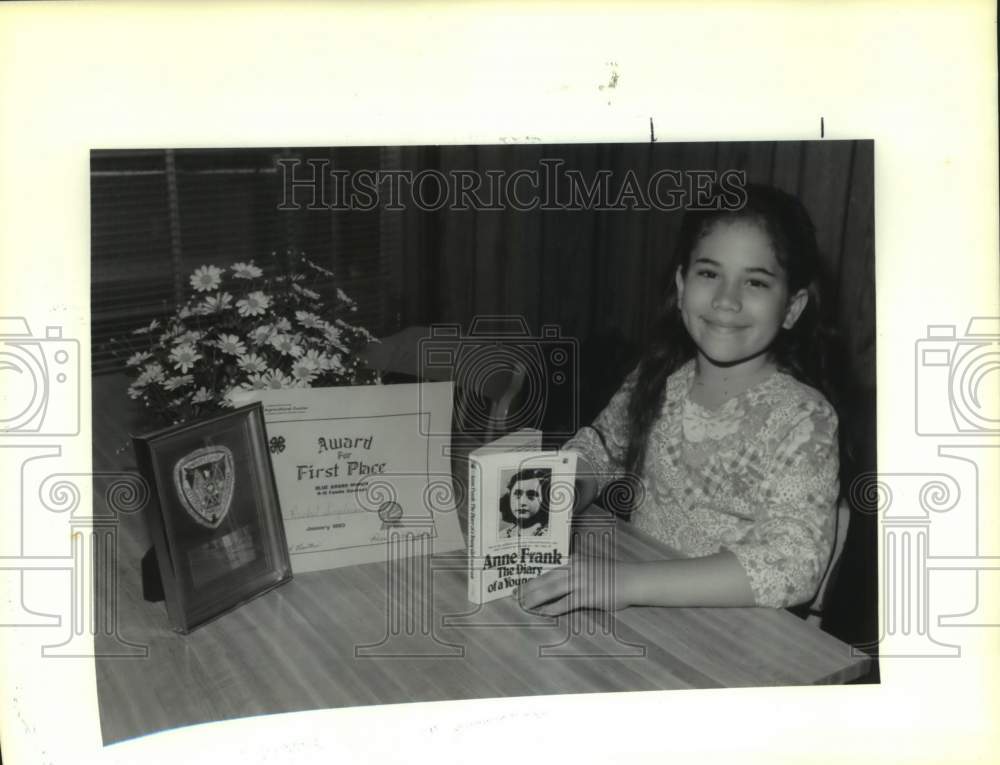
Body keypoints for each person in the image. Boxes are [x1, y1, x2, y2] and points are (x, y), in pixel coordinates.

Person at [518, 184, 841, 615]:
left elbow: (793, 565)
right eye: (709, 273)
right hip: (642, 612)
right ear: (681, 283)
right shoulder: (659, 377)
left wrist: (625, 581)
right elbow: (600, 448)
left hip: (734, 638)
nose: (727, 300)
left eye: (756, 282)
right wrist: (568, 491)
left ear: (792, 308)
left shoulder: (805, 419)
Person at [499, 468, 551, 538]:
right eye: (517, 494)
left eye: (531, 495)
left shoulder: (548, 536)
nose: (522, 502)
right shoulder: (502, 535)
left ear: (544, 500)